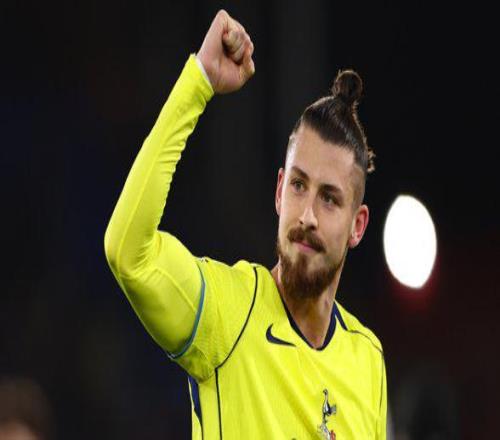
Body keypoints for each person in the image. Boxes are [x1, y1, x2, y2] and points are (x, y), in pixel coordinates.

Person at [104, 9, 386, 439]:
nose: (307, 216)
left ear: (357, 225)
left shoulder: (367, 359)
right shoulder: (227, 315)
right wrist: (199, 82)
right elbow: (129, 252)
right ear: (279, 192)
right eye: (298, 186)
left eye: (329, 198)